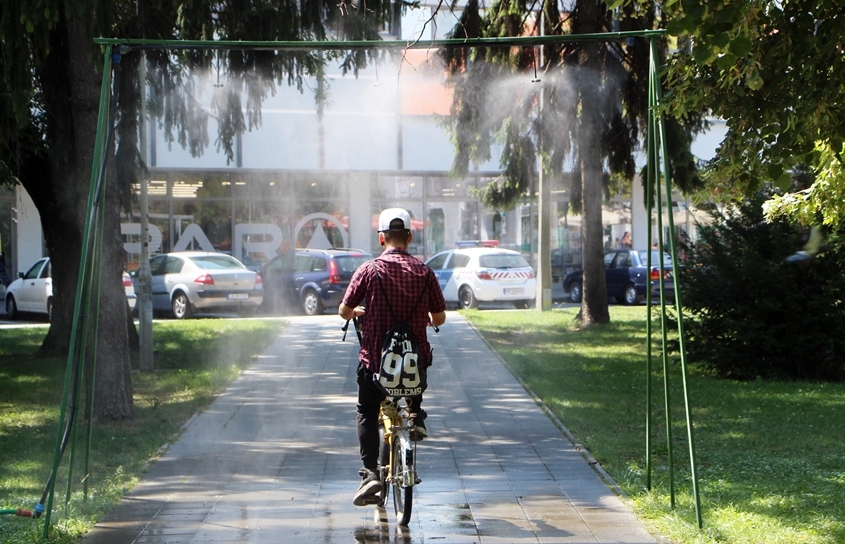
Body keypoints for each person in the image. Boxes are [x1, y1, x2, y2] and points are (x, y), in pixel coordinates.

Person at [339, 208, 447, 507]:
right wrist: (422, 318)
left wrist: (359, 311)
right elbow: (439, 317)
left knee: (366, 410)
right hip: (413, 367)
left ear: (381, 237)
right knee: (415, 377)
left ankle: (371, 474)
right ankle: (415, 415)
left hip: (376, 365)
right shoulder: (425, 272)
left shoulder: (369, 270)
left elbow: (344, 310)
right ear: (410, 237)